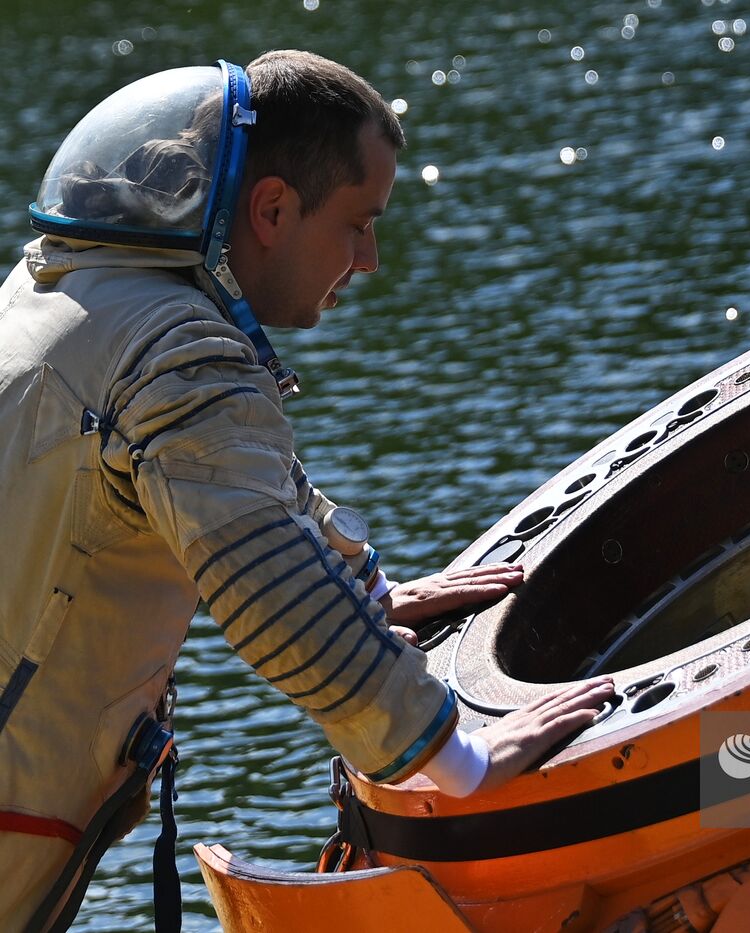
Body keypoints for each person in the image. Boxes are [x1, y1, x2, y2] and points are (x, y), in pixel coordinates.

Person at [0, 51, 613, 931]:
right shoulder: (177, 354)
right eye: (359, 223)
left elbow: (231, 485)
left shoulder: (62, 283)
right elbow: (269, 586)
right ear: (274, 209)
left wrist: (367, 591)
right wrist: (460, 757)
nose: (369, 260)